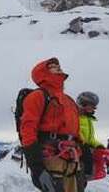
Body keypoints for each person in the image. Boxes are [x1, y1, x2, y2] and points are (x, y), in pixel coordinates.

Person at [20, 58, 82, 192]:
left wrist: (83, 156)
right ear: (42, 72)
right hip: (52, 159)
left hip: (72, 161)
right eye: (53, 66)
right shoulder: (37, 96)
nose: (58, 67)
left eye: (58, 65)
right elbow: (27, 130)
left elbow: (76, 131)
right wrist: (36, 167)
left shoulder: (69, 100)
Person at [76, 91, 104, 187]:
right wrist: (82, 141)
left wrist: (98, 145)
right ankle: (86, 174)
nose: (92, 108)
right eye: (90, 105)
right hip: (77, 143)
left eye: (93, 106)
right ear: (82, 104)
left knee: (97, 153)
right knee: (87, 153)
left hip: (85, 144)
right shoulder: (76, 116)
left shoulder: (88, 119)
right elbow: (75, 130)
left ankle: (86, 176)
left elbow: (91, 138)